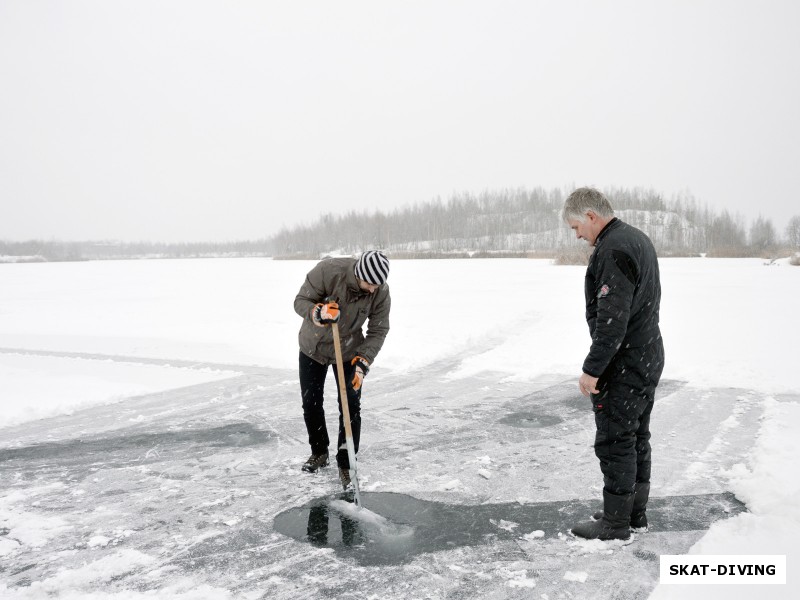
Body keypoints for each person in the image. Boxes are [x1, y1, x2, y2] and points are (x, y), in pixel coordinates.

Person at [562, 188, 665, 542]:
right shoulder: (635, 238)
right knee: (636, 436)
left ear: (591, 216)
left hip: (624, 360)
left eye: (576, 227)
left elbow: (612, 321)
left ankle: (615, 524)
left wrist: (592, 371)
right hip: (647, 352)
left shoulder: (613, 248)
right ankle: (632, 514)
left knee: (615, 440)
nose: (577, 235)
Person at [294, 250, 391, 489]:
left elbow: (378, 329)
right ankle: (319, 452)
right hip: (313, 347)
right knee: (312, 402)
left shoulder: (380, 291)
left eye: (378, 285)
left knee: (350, 405)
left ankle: (346, 462)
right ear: (359, 274)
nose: (373, 289)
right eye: (369, 283)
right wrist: (319, 312)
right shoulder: (329, 271)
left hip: (348, 351)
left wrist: (363, 363)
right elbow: (300, 301)